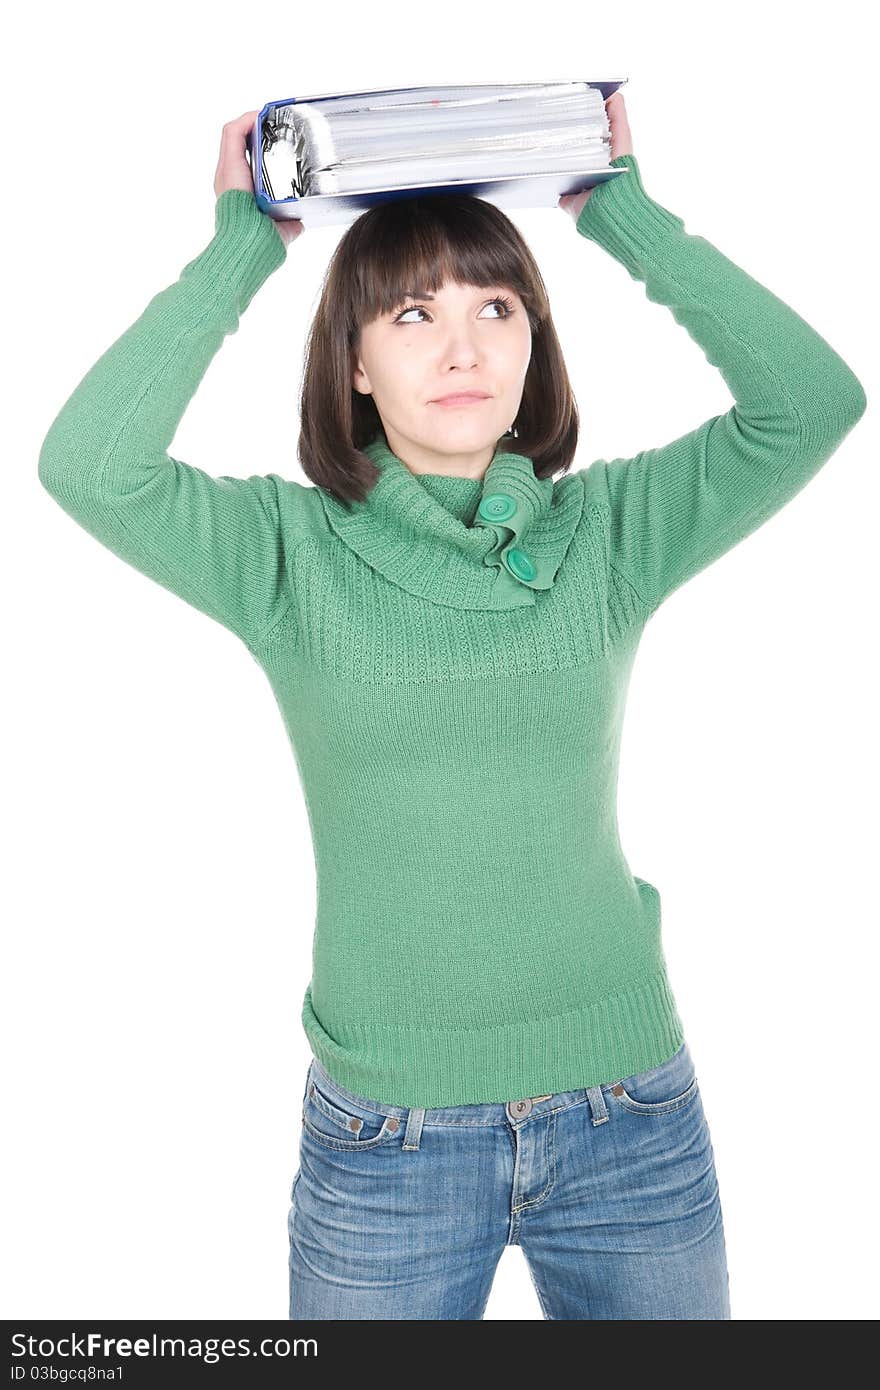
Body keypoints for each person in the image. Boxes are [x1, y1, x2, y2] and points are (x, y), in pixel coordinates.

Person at [38, 95, 867, 1320]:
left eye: (495, 308)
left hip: (628, 1116)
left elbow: (814, 402)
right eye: (411, 315)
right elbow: (88, 466)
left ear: (535, 342)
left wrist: (621, 215)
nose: (464, 347)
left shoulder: (609, 533)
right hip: (391, 1141)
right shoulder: (285, 552)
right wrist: (241, 245)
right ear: (355, 364)